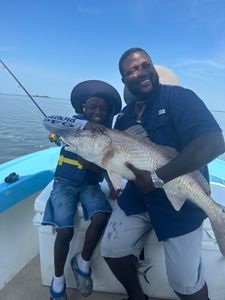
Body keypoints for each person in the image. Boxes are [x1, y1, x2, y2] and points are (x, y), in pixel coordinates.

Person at [100, 48, 225, 300]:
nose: (141, 72)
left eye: (146, 65)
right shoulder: (123, 116)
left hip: (181, 199)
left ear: (153, 68)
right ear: (124, 80)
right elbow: (112, 162)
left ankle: (218, 218)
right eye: (132, 70)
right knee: (111, 250)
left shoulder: (179, 98)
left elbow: (214, 142)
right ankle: (137, 296)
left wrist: (158, 178)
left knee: (185, 284)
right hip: (137, 197)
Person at [43, 80, 122, 300]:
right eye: (93, 107)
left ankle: (83, 262)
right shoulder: (72, 122)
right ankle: (58, 279)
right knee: (65, 230)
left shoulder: (107, 132)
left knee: (101, 215)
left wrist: (114, 184)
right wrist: (83, 126)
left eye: (103, 109)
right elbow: (48, 120)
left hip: (90, 185)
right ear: (83, 108)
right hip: (64, 183)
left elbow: (109, 160)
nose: (98, 112)